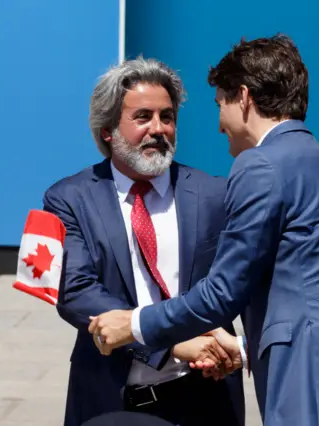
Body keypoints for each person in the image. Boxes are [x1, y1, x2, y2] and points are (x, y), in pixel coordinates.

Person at [88, 35, 319, 426]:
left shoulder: (260, 165)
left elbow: (222, 293)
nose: (219, 123)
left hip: (314, 391)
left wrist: (134, 324)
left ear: (242, 97)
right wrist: (244, 347)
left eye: (219, 103)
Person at [44, 58, 245, 426]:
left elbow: (236, 280)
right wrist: (169, 342)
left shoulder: (213, 194)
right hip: (113, 400)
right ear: (107, 129)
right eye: (143, 117)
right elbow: (76, 291)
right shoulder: (69, 199)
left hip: (206, 396)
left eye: (167, 117)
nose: (158, 129)